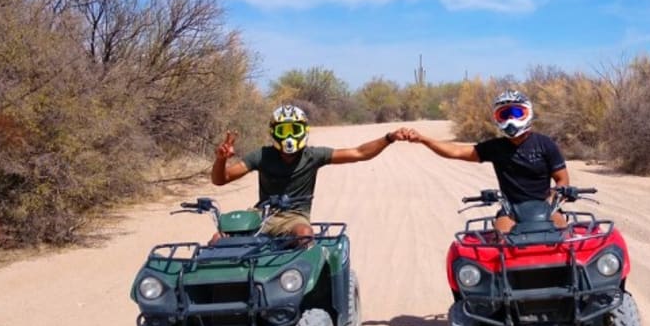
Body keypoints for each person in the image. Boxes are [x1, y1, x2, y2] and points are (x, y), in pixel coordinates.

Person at [211, 104, 407, 242]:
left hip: (294, 217)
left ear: (303, 130)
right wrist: (221, 159)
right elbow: (221, 179)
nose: (288, 136)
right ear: (274, 132)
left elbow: (359, 153)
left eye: (294, 129)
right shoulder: (262, 156)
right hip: (261, 214)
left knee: (305, 234)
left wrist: (389, 138)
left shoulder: (312, 156)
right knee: (219, 238)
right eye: (283, 130)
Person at [405, 89, 570, 232]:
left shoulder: (545, 144)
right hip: (511, 210)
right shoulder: (495, 147)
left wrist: (555, 197)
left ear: (528, 113)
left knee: (563, 237)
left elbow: (562, 179)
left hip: (545, 206)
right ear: (497, 118)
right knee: (501, 244)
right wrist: (423, 139)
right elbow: (456, 151)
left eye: (517, 113)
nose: (511, 118)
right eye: (504, 114)